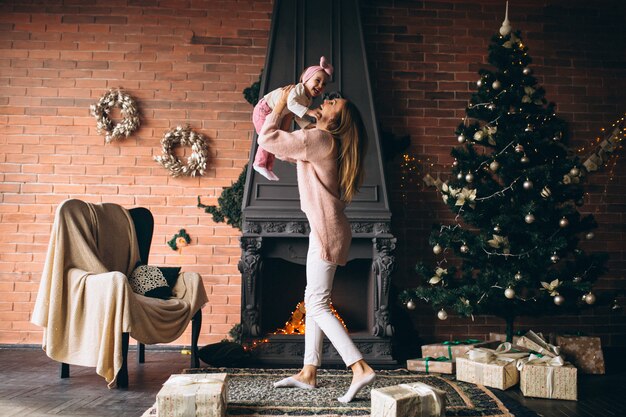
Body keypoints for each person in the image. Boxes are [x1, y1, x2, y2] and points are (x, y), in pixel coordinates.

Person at [257, 85, 376, 403]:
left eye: (334, 102)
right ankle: (309, 372)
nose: (326, 100)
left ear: (338, 120)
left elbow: (267, 140)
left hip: (326, 230)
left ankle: (359, 367)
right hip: (326, 228)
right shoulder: (317, 138)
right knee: (313, 300)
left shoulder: (321, 138)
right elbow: (284, 149)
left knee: (318, 304)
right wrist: (289, 110)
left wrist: (279, 105)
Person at [252, 56, 333, 181]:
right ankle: (259, 163)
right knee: (267, 138)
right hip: (264, 110)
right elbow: (291, 105)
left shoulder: (308, 99)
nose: (320, 85)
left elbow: (296, 114)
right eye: (317, 80)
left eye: (324, 84)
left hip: (276, 115)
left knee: (276, 140)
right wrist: (310, 112)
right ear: (306, 79)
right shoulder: (298, 89)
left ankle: (268, 166)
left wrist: (307, 125)